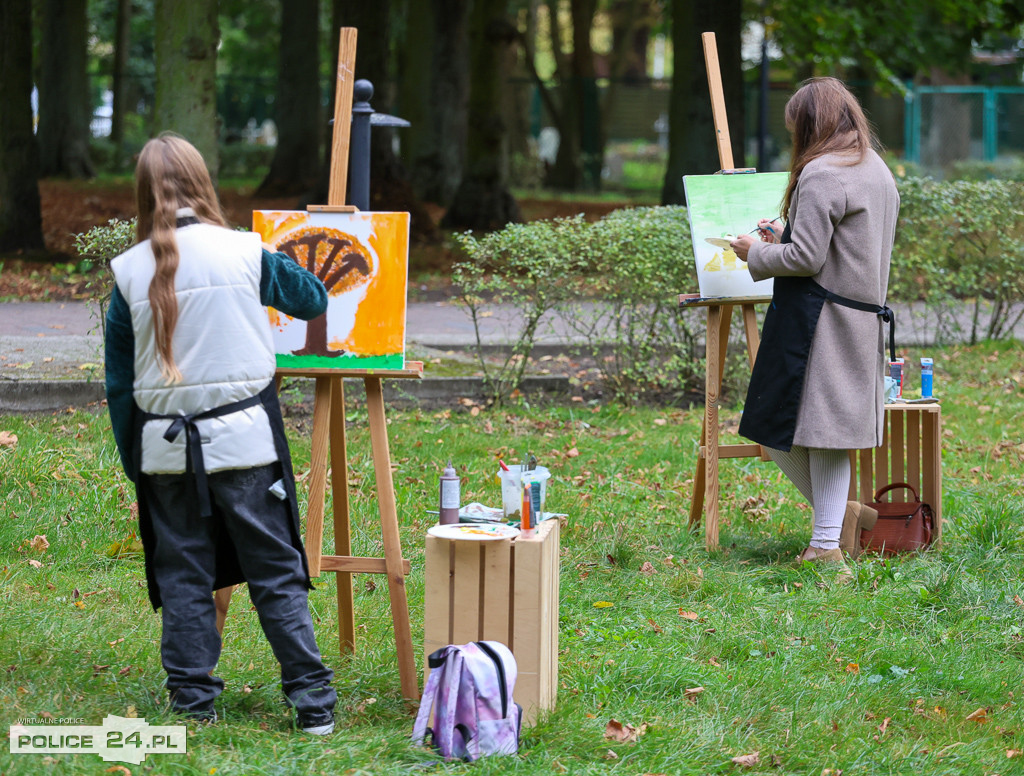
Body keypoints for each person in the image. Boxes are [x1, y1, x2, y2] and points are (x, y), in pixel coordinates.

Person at [104, 133, 337, 733]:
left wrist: (139, 464)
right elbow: (312, 299)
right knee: (276, 572)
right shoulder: (244, 252)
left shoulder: (128, 272)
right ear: (202, 184)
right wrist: (265, 254)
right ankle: (312, 705)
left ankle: (192, 705)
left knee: (183, 577)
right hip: (248, 445)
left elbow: (119, 387)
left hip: (165, 450)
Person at [729, 77, 899, 571]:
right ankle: (835, 525)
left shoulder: (823, 171)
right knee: (814, 431)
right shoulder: (874, 168)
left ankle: (826, 546)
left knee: (801, 433)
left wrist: (755, 251)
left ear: (810, 123)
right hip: (855, 319)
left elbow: (805, 258)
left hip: (821, 322)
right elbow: (839, 248)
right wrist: (786, 234)